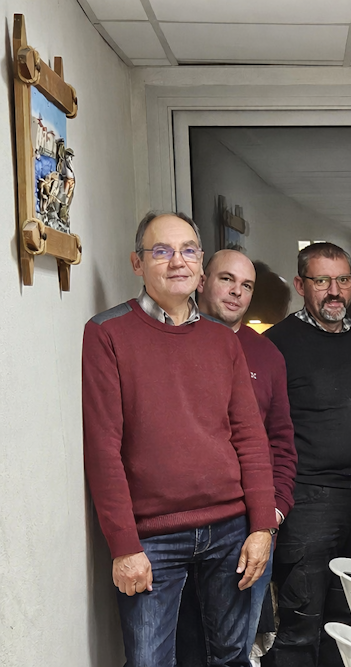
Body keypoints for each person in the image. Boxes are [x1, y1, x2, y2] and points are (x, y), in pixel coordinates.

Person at [82, 212, 276, 666]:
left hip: (230, 529)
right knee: (150, 661)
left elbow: (250, 437)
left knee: (231, 656)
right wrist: (124, 547)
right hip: (151, 537)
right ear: (137, 262)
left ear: (200, 263)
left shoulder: (222, 340)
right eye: (161, 251)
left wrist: (261, 526)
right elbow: (103, 450)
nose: (177, 261)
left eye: (188, 250)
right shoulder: (107, 333)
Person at [174, 250, 298, 666]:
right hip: (180, 523)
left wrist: (273, 513)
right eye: (227, 279)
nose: (236, 292)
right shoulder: (170, 341)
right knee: (182, 648)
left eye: (246, 285)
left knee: (235, 650)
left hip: (250, 526)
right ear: (202, 280)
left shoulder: (266, 355)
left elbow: (281, 441)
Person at [264, 242, 351, 667]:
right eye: (322, 280)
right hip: (307, 502)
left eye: (343, 280)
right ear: (301, 285)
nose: (335, 291)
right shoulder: (276, 344)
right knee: (301, 625)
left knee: (350, 625)